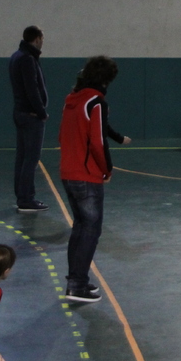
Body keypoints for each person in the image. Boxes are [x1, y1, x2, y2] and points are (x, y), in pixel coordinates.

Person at [59, 56, 130, 303]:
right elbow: (98, 141)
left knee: (80, 227)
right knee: (90, 229)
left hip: (68, 172)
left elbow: (62, 136)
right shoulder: (96, 102)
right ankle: (77, 285)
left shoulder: (72, 99)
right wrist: (106, 169)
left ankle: (76, 280)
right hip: (86, 175)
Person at [9, 25, 49, 212]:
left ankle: (22, 196)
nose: (42, 43)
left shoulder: (17, 56)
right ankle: (26, 199)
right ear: (37, 39)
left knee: (22, 157)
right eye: (42, 39)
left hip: (20, 113)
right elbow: (31, 89)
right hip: (30, 116)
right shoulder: (27, 59)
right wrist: (41, 112)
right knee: (31, 158)